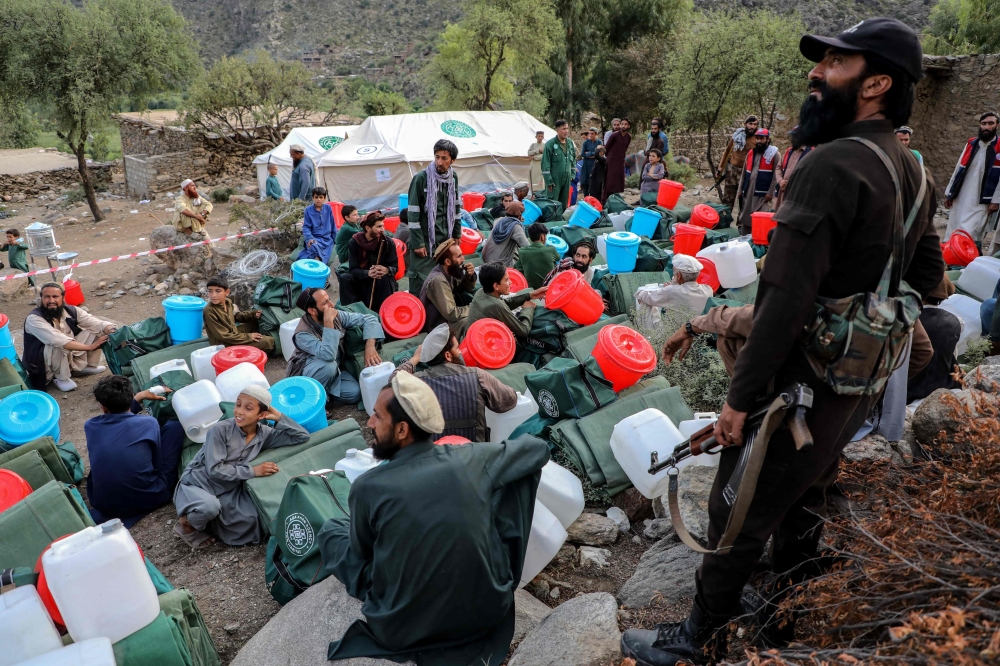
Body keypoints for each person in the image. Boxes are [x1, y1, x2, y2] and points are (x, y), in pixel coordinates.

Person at [620, 18, 945, 665]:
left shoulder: (833, 166)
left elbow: (781, 304)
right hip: (854, 385)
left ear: (877, 83)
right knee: (810, 494)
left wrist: (738, 403)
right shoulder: (911, 171)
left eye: (835, 63)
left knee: (734, 511)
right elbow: (930, 279)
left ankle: (698, 640)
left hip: (796, 385)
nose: (815, 73)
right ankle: (783, 616)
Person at [317, 370, 548, 664]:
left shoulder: (367, 487)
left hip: (403, 629)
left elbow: (362, 553)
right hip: (488, 613)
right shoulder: (471, 458)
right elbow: (537, 449)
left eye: (376, 416)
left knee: (332, 529)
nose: (370, 423)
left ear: (402, 430)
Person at [173, 384, 310, 547]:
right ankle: (187, 524)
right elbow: (214, 470)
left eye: (248, 408)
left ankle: (208, 521)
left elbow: (301, 437)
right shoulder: (219, 430)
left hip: (228, 487)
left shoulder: (264, 434)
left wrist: (279, 416)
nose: (239, 411)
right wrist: (253, 471)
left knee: (253, 521)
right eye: (238, 404)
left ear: (262, 414)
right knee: (208, 507)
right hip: (199, 483)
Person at [391, 323, 519, 441]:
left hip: (435, 456)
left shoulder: (417, 382)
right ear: (448, 355)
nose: (460, 352)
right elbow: (509, 399)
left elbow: (393, 381)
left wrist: (415, 358)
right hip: (474, 455)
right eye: (457, 348)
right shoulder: (477, 375)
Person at [85, 375, 184, 527]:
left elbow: (118, 419)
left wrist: (139, 397)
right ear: (130, 396)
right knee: (174, 428)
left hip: (102, 502)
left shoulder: (90, 425)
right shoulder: (148, 423)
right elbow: (157, 463)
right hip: (150, 497)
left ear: (103, 406)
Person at [286, 288, 384, 405]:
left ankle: (322, 395)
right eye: (325, 303)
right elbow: (328, 355)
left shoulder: (335, 315)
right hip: (310, 372)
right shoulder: (302, 333)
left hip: (335, 369)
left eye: (329, 300)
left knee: (354, 393)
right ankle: (313, 401)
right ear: (312, 310)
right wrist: (328, 323)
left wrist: (370, 346)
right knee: (328, 365)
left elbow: (370, 319)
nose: (331, 305)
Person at [23, 281, 115, 392]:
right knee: (56, 343)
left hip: (68, 355)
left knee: (97, 331)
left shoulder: (71, 310)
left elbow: (95, 323)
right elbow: (57, 340)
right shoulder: (34, 318)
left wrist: (110, 330)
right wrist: (90, 347)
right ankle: (61, 378)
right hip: (45, 364)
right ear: (41, 298)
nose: (51, 301)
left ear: (62, 297)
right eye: (47, 297)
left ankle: (85, 367)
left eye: (55, 296)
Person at [406, 139, 463, 297]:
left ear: (452, 160)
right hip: (425, 241)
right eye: (437, 157)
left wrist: (457, 233)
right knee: (421, 282)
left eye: (444, 158)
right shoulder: (421, 178)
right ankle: (418, 317)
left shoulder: (453, 178)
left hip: (445, 239)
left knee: (443, 280)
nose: (439, 162)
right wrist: (418, 242)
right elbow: (413, 212)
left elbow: (456, 206)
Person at [943, 111, 1000, 243]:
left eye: (990, 123)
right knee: (953, 229)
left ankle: (966, 261)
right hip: (961, 196)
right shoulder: (971, 144)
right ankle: (951, 261)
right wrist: (949, 193)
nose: (986, 127)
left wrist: (996, 200)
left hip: (981, 200)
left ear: (997, 125)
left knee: (971, 233)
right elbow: (958, 168)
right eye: (983, 124)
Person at [467, 262, 547, 341]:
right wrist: (527, 309)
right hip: (482, 346)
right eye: (506, 280)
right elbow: (524, 330)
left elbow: (505, 303)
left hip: (471, 339)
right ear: (496, 286)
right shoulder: (496, 305)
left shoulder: (481, 292)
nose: (510, 282)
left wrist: (530, 295)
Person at [634, 255, 715, 329]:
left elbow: (645, 296)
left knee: (643, 296)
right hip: (695, 333)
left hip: (673, 335)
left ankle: (645, 333)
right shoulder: (708, 290)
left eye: (674, 272)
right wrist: (672, 287)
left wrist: (670, 288)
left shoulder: (672, 291)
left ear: (679, 276)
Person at [341, 211, 398, 312]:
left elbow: (394, 267)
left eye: (383, 226)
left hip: (382, 280)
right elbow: (353, 269)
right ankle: (352, 313)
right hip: (362, 279)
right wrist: (367, 273)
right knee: (345, 278)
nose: (383, 230)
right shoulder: (355, 242)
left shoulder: (388, 242)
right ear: (368, 228)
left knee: (384, 278)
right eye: (379, 227)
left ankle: (384, 314)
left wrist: (386, 269)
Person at [419, 239, 477, 336]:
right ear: (448, 261)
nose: (463, 259)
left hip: (445, 322)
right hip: (436, 329)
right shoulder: (438, 280)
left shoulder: (450, 271)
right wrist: (473, 308)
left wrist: (469, 277)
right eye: (459, 256)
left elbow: (463, 289)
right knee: (469, 321)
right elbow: (451, 314)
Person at [203, 275, 274, 352]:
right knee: (268, 341)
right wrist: (249, 337)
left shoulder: (228, 302)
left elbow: (235, 316)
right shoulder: (209, 310)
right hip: (225, 344)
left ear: (227, 292)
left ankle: (257, 340)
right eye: (210, 291)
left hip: (233, 333)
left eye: (218, 291)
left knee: (255, 322)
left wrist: (252, 315)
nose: (213, 295)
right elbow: (223, 336)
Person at [736, 128, 779, 234]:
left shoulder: (774, 154)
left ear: (768, 139)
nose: (759, 141)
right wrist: (740, 190)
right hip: (748, 191)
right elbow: (744, 173)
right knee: (746, 216)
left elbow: (776, 175)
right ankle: (746, 239)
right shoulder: (751, 153)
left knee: (761, 217)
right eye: (757, 138)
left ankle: (759, 240)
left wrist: (770, 192)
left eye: (761, 138)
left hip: (762, 194)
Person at [718, 116, 760, 209]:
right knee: (727, 199)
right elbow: (727, 151)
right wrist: (720, 167)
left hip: (747, 173)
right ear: (745, 124)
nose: (752, 127)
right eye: (750, 124)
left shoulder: (758, 139)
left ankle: (741, 223)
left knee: (744, 200)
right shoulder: (737, 136)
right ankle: (725, 220)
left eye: (755, 124)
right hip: (732, 171)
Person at [773, 129, 813, 212]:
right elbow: (778, 168)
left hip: (797, 193)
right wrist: (780, 181)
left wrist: (791, 182)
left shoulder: (810, 153)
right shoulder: (789, 151)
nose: (793, 139)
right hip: (783, 191)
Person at [481, 201, 530, 267]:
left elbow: (509, 221)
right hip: (499, 264)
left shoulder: (498, 221)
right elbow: (526, 247)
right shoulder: (516, 227)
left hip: (486, 258)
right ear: (520, 215)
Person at [542, 120, 577, 208]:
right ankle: (552, 221)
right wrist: (548, 181)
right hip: (554, 180)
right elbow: (545, 163)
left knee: (564, 203)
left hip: (567, 180)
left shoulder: (570, 143)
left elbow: (573, 160)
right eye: (563, 129)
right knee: (552, 204)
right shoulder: (550, 144)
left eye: (567, 129)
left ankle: (561, 221)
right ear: (557, 130)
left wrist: (572, 175)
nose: (566, 131)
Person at [515, 222, 560, 289]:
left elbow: (517, 269)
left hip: (531, 290)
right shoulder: (551, 249)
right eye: (545, 236)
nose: (546, 239)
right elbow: (558, 258)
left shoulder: (522, 251)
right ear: (542, 237)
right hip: (548, 288)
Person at [300, 187, 335, 265]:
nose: (318, 199)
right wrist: (309, 238)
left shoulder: (328, 208)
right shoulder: (308, 210)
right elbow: (306, 227)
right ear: (313, 198)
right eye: (316, 197)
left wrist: (335, 238)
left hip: (327, 239)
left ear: (324, 198)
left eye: (321, 197)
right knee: (313, 246)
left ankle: (317, 262)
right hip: (314, 238)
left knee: (320, 255)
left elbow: (332, 224)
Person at [603, 118, 632, 201]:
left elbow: (625, 148)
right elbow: (607, 148)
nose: (623, 126)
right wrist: (610, 157)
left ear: (628, 126)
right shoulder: (614, 135)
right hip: (611, 160)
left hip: (620, 161)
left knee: (618, 182)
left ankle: (615, 200)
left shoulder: (628, 137)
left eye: (625, 124)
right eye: (622, 124)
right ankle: (605, 201)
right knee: (609, 182)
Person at [580, 128, 602, 195]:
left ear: (596, 134)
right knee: (585, 182)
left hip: (595, 165)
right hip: (586, 165)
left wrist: (589, 153)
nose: (590, 135)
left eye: (592, 134)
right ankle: (586, 199)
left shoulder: (599, 142)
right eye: (589, 133)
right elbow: (583, 154)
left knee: (593, 183)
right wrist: (593, 154)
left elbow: (599, 154)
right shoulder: (586, 142)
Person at [528, 130, 546, 196]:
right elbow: (529, 153)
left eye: (542, 136)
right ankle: (533, 193)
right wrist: (537, 150)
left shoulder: (545, 146)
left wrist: (534, 157)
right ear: (536, 137)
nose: (540, 137)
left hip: (540, 165)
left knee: (540, 178)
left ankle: (541, 193)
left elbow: (544, 156)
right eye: (539, 136)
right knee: (533, 178)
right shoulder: (533, 145)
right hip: (533, 165)